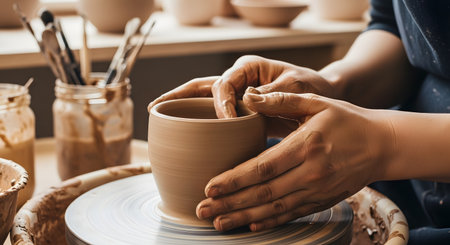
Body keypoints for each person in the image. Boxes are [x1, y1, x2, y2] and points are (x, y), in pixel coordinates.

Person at [148, 1, 450, 243]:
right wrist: (332, 86)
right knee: (259, 163)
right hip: (406, 176)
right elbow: (397, 29)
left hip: (415, 156)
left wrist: (385, 144)